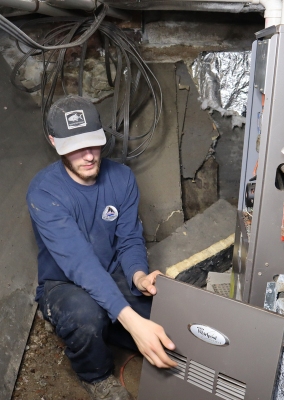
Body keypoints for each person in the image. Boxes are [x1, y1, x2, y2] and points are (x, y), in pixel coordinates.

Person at [26, 95, 176, 400]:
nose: (89, 156)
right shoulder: (44, 192)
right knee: (85, 315)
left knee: (166, 320)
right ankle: (94, 375)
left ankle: (112, 324)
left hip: (112, 273)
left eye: (93, 143)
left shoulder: (121, 178)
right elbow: (81, 265)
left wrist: (137, 277)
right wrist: (131, 321)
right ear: (53, 142)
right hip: (64, 283)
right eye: (75, 148)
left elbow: (130, 239)